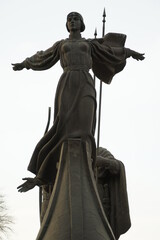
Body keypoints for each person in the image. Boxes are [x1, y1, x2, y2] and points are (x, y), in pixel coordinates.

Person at [13, 12, 144, 192]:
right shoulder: (62, 45)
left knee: (84, 129)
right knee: (63, 128)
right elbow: (43, 56)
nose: (73, 21)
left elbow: (110, 52)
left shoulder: (89, 44)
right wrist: (25, 63)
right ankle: (43, 175)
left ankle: (84, 164)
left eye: (76, 19)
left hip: (85, 83)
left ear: (82, 24)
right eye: (70, 19)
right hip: (67, 84)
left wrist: (129, 52)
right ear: (67, 25)